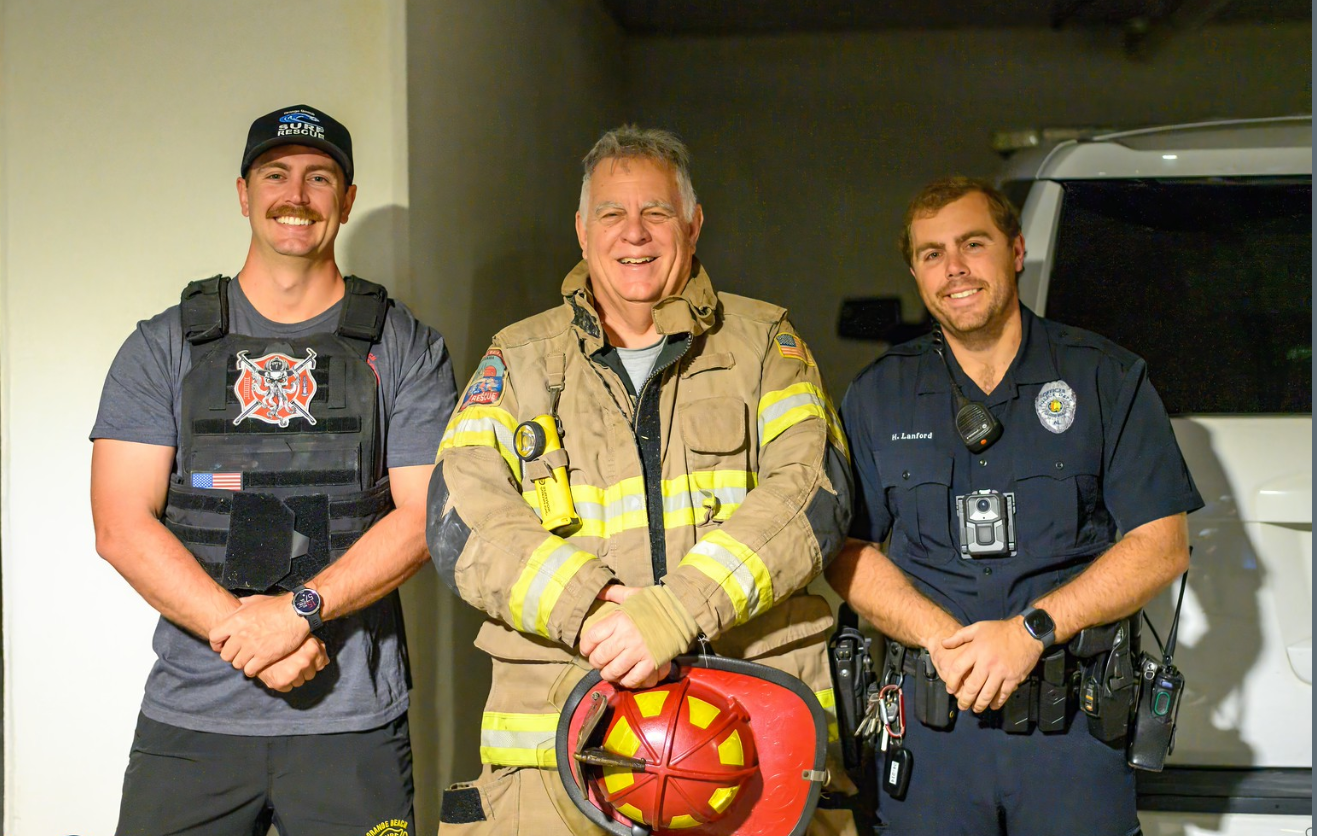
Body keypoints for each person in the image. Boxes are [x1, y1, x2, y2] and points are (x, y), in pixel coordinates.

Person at [426, 126, 856, 834]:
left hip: (747, 738)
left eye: (655, 212)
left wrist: (675, 611)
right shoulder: (519, 358)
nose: (634, 234)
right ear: (581, 229)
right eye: (611, 214)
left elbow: (811, 494)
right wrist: (589, 607)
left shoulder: (765, 346)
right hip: (559, 750)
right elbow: (460, 515)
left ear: (693, 223)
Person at [90, 104, 456, 835]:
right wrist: (242, 633)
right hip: (192, 723)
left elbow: (424, 517)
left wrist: (296, 613)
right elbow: (120, 525)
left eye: (320, 177)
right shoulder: (166, 346)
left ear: (346, 200)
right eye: (276, 174)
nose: (297, 195)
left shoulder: (403, 346)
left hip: (351, 723)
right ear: (243, 192)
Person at [828, 176, 1204, 835]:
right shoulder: (877, 395)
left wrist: (1028, 632)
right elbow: (846, 551)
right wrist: (939, 639)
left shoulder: (1104, 378)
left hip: (1072, 733)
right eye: (931, 253)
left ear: (1016, 250)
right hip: (929, 732)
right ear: (915, 271)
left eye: (973, 244)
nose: (954, 269)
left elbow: (1159, 545)